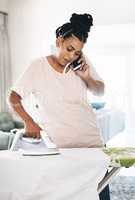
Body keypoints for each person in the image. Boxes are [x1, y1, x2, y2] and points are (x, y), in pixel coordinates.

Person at [9, 13, 105, 148]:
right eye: (69, 49)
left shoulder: (81, 64)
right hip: (58, 147)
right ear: (59, 41)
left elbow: (100, 91)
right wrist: (29, 122)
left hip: (91, 142)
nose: (72, 56)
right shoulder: (38, 66)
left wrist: (87, 77)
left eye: (77, 52)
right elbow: (13, 98)